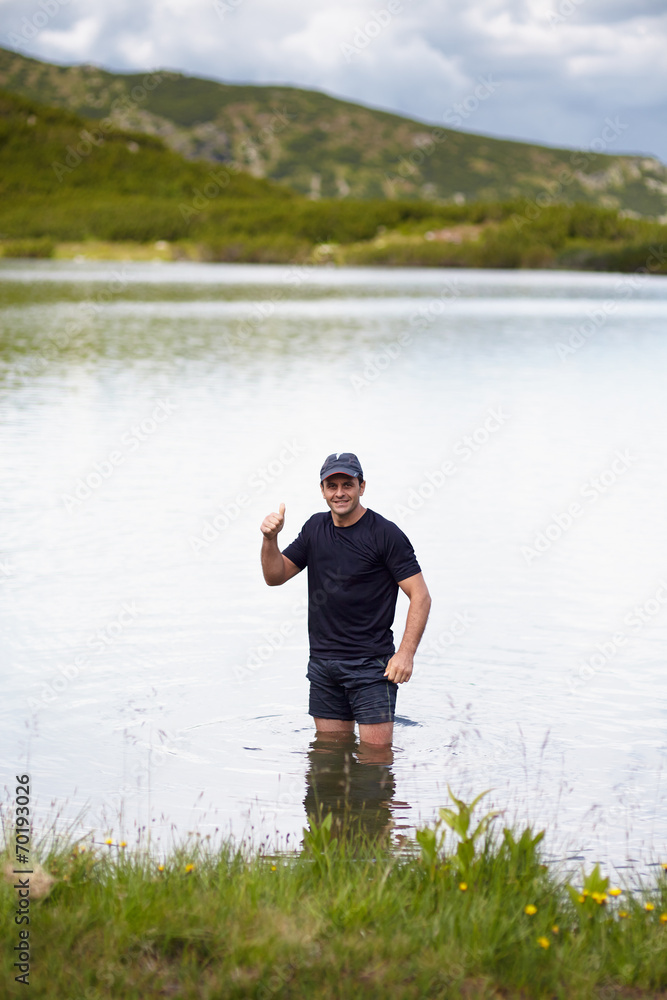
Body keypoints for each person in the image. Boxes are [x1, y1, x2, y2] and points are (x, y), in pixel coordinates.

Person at [260, 452, 431, 746]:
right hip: (324, 664)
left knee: (375, 763)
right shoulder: (315, 528)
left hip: (371, 667)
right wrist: (270, 539)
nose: (340, 493)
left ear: (361, 487)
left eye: (347, 484)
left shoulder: (385, 534)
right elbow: (275, 576)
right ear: (323, 490)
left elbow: (421, 596)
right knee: (328, 760)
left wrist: (405, 654)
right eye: (332, 485)